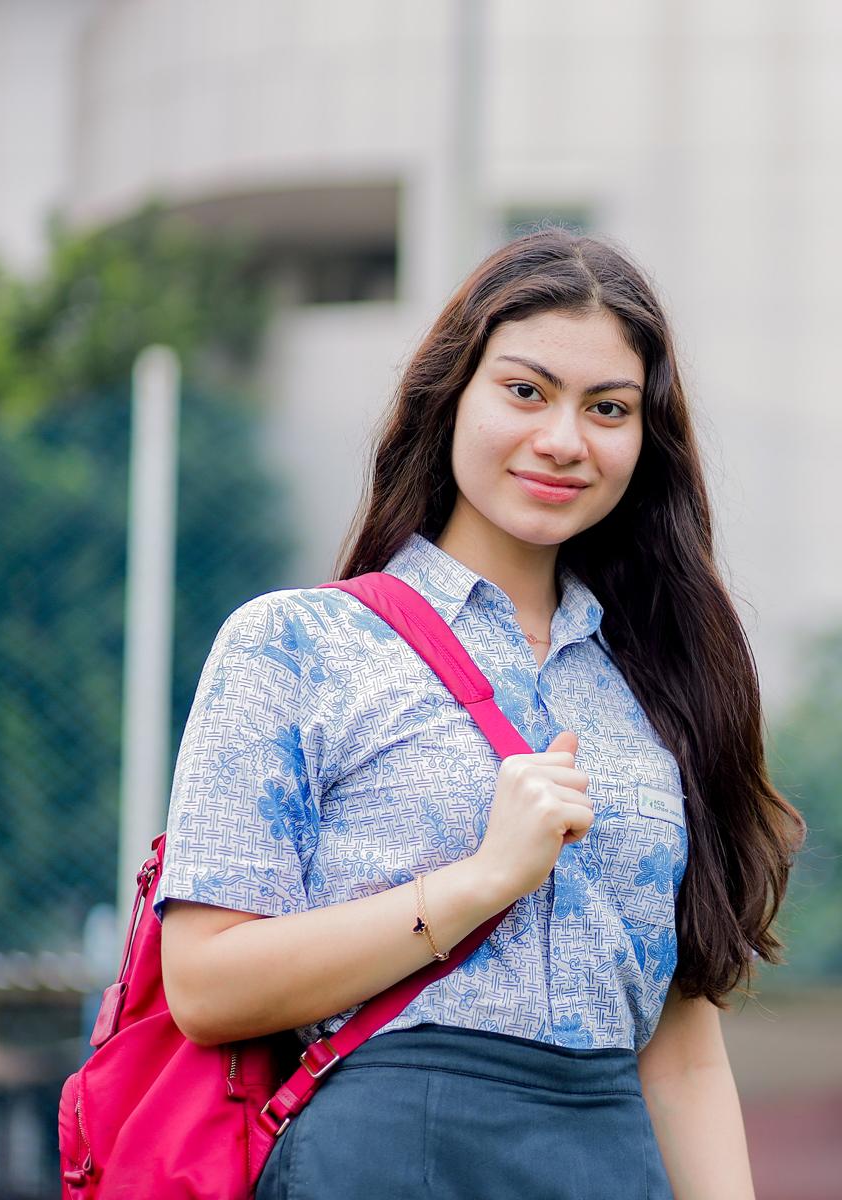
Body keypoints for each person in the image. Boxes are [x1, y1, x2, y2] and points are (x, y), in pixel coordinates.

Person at [158, 228, 806, 1199]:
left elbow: (681, 1056)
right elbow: (204, 986)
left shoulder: (663, 687)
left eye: (608, 408)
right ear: (449, 395)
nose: (562, 440)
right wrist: (480, 882)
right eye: (525, 391)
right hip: (387, 1160)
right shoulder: (296, 646)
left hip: (609, 1159)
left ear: (645, 438)